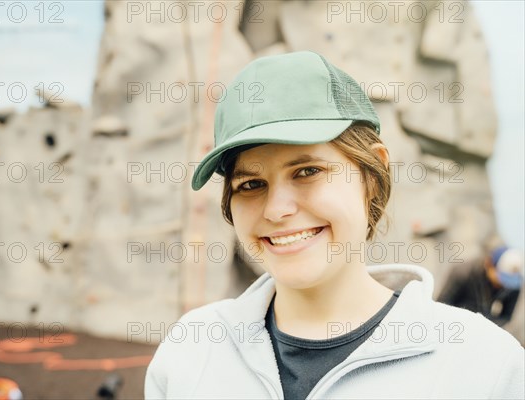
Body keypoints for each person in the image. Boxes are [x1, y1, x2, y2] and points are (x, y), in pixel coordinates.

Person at [144, 51, 524, 399]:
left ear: (372, 175)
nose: (276, 209)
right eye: (251, 184)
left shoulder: (483, 365)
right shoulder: (190, 350)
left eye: (307, 171)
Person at [438, 246, 524, 327]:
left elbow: (506, 316)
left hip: (483, 325)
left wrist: (487, 327)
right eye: (501, 278)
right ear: (489, 264)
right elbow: (442, 304)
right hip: (454, 322)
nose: (504, 284)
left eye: (508, 281)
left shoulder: (513, 285)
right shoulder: (463, 272)